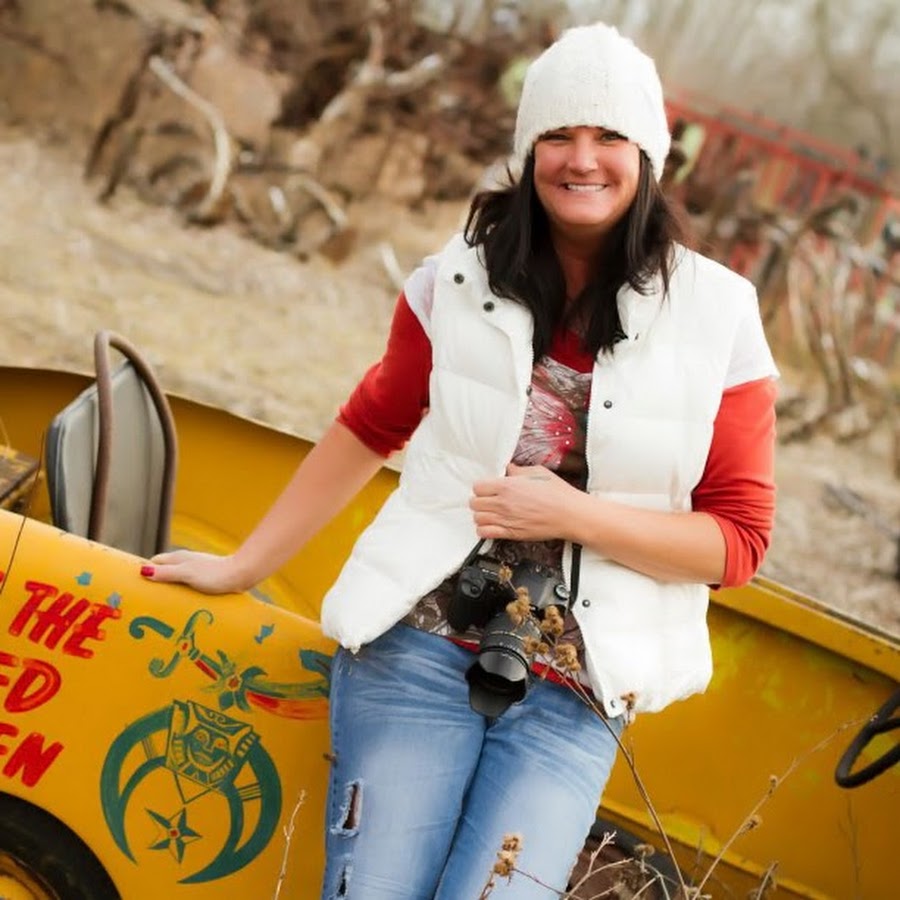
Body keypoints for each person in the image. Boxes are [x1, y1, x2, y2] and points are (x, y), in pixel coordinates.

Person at [142, 22, 778, 899]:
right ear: (527, 150)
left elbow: (738, 543)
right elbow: (370, 424)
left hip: (579, 689)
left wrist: (572, 516)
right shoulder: (458, 278)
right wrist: (243, 565)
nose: (581, 159)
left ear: (647, 155)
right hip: (418, 644)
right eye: (558, 134)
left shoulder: (719, 317)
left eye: (608, 136)